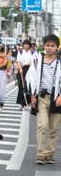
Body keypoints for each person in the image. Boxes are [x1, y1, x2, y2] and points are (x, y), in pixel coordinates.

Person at [28, 34, 61, 165]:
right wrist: (32, 95)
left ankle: (49, 153)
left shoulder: (59, 62)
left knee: (54, 128)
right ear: (43, 46)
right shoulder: (37, 60)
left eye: (53, 46)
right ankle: (41, 153)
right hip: (41, 97)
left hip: (56, 98)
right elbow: (31, 78)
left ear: (57, 47)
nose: (50, 48)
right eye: (47, 45)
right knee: (42, 125)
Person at [15, 39, 37, 111]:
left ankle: (27, 102)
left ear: (29, 45)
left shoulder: (33, 53)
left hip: (30, 70)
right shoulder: (20, 52)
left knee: (28, 86)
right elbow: (18, 61)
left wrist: (25, 64)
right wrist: (20, 68)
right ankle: (20, 103)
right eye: (25, 44)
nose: (26, 46)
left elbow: (33, 62)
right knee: (21, 86)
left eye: (27, 44)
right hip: (21, 70)